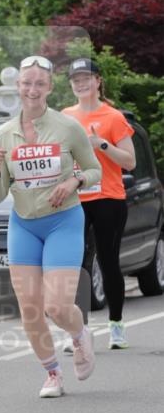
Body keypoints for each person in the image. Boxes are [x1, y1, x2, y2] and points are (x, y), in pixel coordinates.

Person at [0, 55, 102, 398]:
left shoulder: (67, 127)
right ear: (18, 87)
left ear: (50, 87)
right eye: (26, 83)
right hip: (23, 225)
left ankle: (79, 336)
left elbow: (94, 170)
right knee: (31, 309)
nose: (32, 89)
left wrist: (74, 182)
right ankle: (52, 373)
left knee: (56, 306)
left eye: (39, 83)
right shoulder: (4, 134)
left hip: (63, 221)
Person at [62, 57, 136, 349]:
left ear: (98, 81)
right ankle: (78, 332)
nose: (81, 84)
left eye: (86, 78)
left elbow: (130, 162)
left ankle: (116, 326)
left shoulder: (113, 117)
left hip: (108, 198)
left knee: (107, 261)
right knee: (75, 265)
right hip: (74, 199)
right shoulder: (65, 117)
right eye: (76, 80)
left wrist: (101, 145)